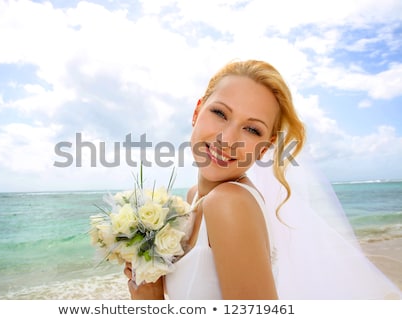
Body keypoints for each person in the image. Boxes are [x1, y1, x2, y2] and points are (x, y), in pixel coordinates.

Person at [124, 60, 401, 300]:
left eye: (251, 129)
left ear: (264, 148)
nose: (227, 139)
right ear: (197, 111)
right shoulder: (195, 196)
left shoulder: (229, 203)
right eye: (220, 113)